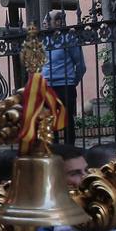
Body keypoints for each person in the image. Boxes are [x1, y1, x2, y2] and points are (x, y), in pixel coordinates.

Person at [40, 11, 85, 145]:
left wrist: (72, 81)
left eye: (48, 20)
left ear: (58, 22)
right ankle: (54, 151)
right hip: (47, 87)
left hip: (66, 85)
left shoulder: (68, 39)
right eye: (44, 20)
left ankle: (69, 150)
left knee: (67, 122)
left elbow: (80, 65)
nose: (44, 23)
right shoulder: (43, 41)